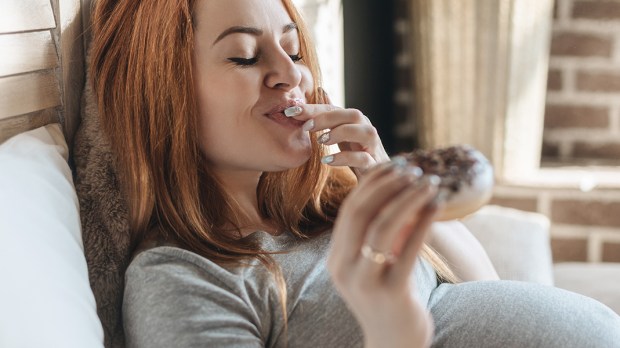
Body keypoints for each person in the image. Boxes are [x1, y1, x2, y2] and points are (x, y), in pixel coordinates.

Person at [89, 0, 620, 347]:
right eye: (246, 57)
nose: (291, 72)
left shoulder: (326, 209)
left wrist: (388, 179)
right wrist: (393, 333)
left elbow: (481, 289)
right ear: (165, 94)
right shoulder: (182, 276)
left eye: (293, 49)